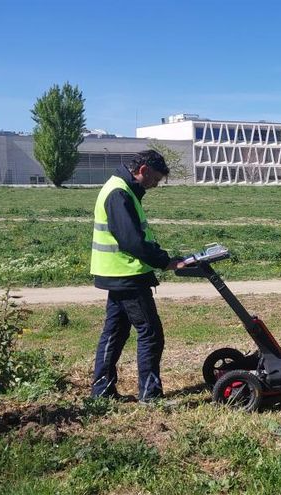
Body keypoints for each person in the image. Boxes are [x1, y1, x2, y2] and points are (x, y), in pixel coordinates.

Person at [89, 149, 183, 401]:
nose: (154, 185)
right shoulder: (119, 193)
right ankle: (150, 396)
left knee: (115, 333)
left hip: (116, 273)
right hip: (127, 274)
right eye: (155, 179)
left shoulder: (119, 187)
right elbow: (132, 241)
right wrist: (165, 261)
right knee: (150, 333)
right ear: (143, 171)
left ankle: (101, 392)